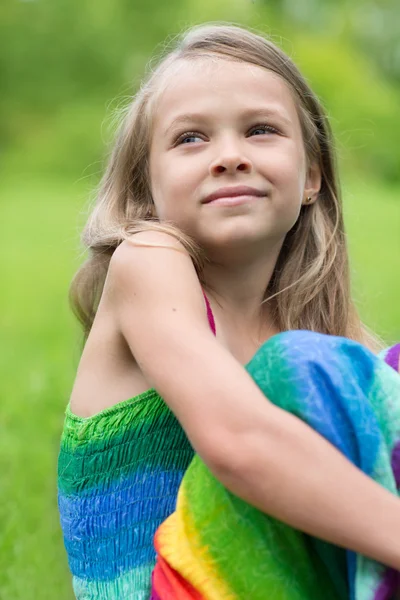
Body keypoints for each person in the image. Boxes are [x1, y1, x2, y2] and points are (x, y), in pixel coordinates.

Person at [57, 23, 400, 600]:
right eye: (191, 139)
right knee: (308, 370)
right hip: (169, 588)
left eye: (261, 130)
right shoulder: (148, 263)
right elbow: (239, 442)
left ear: (311, 175)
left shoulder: (314, 331)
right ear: (148, 190)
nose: (230, 157)